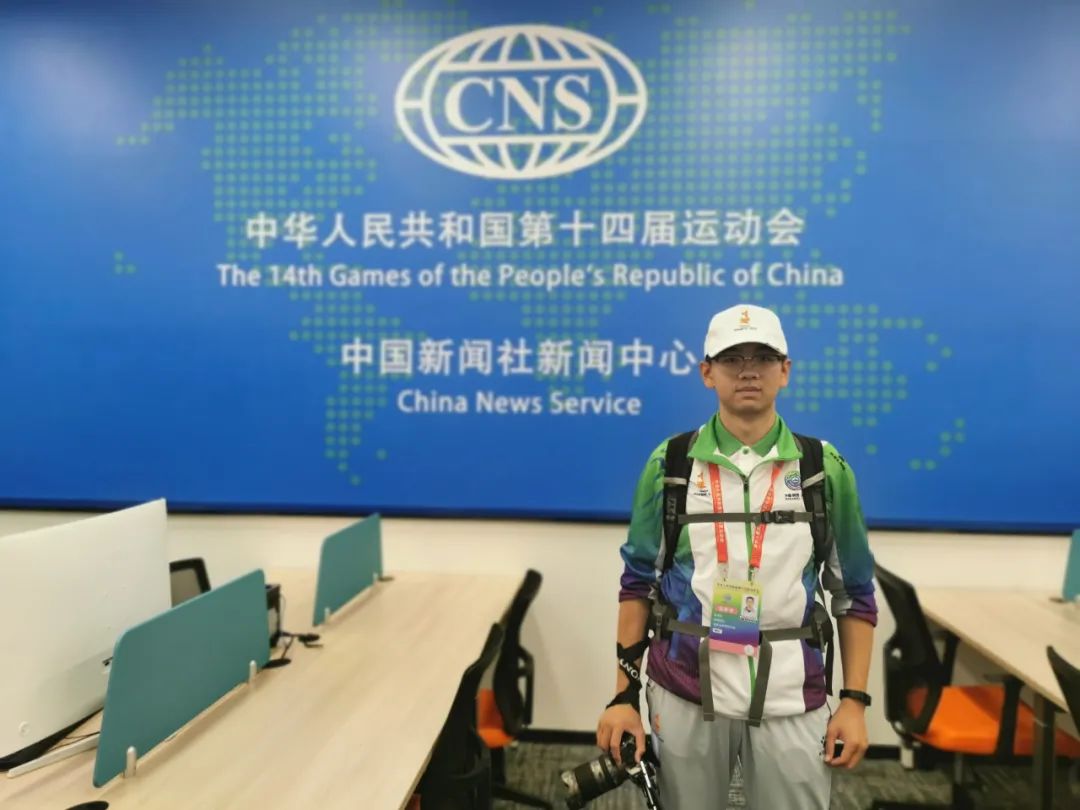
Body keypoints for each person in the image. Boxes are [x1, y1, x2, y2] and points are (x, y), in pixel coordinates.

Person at [596, 304, 877, 809]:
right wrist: (623, 697)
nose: (749, 371)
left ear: (785, 370)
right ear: (707, 372)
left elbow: (854, 593)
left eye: (763, 357)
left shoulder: (823, 468)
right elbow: (637, 584)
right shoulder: (670, 465)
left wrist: (854, 701)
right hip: (684, 688)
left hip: (793, 693)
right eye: (732, 358)